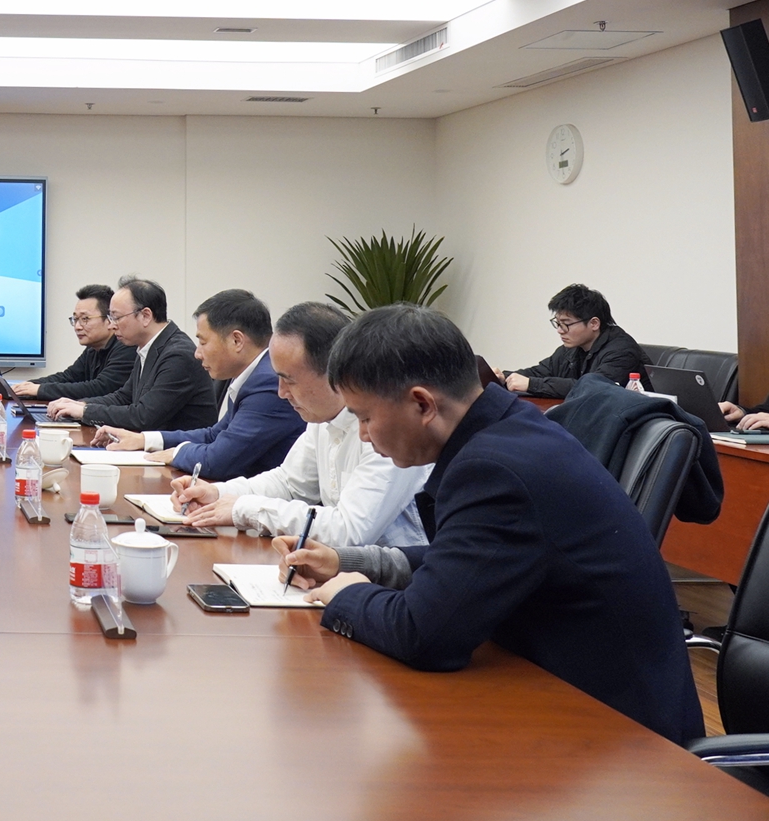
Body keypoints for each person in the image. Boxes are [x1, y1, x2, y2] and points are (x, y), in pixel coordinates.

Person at [277, 304, 702, 744]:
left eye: (365, 417)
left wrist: (346, 595)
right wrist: (351, 562)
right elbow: (467, 562)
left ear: (422, 404)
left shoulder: (495, 469)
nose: (364, 435)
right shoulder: (509, 432)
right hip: (565, 701)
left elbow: (423, 635)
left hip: (620, 743)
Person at [167, 301, 428, 546]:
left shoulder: (388, 427)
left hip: (393, 575)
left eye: (289, 380)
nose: (281, 392)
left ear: (334, 372)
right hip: (335, 566)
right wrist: (218, 493)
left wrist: (243, 509)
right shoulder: (320, 418)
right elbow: (289, 485)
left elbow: (349, 530)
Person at [94, 289, 303, 480]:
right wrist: (143, 440)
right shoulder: (252, 375)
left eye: (203, 342)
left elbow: (218, 461)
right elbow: (213, 435)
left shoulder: (267, 384)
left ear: (237, 341)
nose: (197, 353)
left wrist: (175, 453)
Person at [44, 277, 215, 432]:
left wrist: (85, 411)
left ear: (145, 316)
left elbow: (143, 416)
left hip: (175, 452)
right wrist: (80, 404)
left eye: (116, 317)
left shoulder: (178, 355)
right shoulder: (147, 347)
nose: (112, 325)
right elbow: (123, 397)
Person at [491, 284, 648, 399]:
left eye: (566, 324)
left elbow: (592, 388)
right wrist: (504, 377)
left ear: (594, 323)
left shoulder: (622, 351)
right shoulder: (571, 348)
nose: (560, 330)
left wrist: (532, 384)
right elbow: (541, 372)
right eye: (558, 323)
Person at [11, 284, 133, 401]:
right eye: (75, 319)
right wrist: (27, 386)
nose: (77, 327)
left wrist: (40, 389)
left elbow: (100, 387)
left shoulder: (126, 347)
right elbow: (68, 377)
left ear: (109, 319)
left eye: (85, 319)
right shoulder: (93, 349)